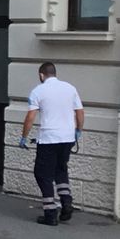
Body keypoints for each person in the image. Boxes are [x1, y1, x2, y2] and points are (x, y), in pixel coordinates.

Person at [19, 62, 84, 226]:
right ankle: (66, 202)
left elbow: (31, 117)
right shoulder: (70, 88)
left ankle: (50, 213)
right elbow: (80, 112)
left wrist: (24, 137)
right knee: (60, 170)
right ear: (54, 73)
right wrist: (78, 131)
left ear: (41, 75)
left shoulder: (38, 91)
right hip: (67, 138)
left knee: (42, 174)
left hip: (48, 138)